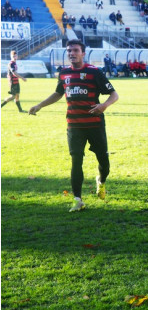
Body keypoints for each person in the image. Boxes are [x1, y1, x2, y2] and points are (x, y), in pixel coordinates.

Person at [28, 40, 119, 212]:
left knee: (104, 161)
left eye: (76, 50)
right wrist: (39, 105)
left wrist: (104, 105)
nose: (72, 53)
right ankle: (77, 199)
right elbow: (58, 93)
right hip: (74, 125)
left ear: (83, 53)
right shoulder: (64, 73)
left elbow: (114, 94)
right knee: (76, 160)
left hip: (95, 125)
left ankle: (101, 180)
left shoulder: (94, 72)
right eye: (69, 51)